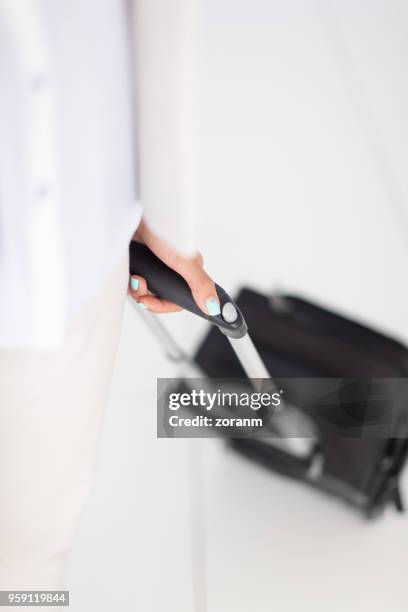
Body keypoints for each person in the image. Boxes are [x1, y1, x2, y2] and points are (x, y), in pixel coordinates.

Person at [0, 0, 219, 590]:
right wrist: (169, 225)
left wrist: (168, 222)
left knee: (30, 541)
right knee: (29, 544)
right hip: (53, 251)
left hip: (52, 245)